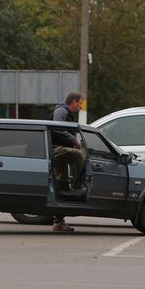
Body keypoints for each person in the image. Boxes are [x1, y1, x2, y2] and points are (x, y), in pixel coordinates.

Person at [50, 92, 86, 232]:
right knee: (78, 155)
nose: (81, 106)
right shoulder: (61, 110)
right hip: (54, 150)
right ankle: (78, 186)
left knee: (62, 187)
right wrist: (74, 141)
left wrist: (75, 141)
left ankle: (59, 223)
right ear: (74, 102)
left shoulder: (68, 114)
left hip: (61, 155)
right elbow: (57, 128)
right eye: (80, 103)